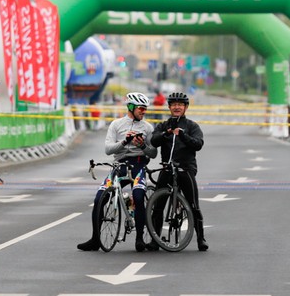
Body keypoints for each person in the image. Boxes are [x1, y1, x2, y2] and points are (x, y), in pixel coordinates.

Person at [78, 92, 157, 252]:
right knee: (100, 198)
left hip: (138, 166)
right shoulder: (116, 124)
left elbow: (153, 153)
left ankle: (140, 239)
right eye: (141, 108)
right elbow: (108, 150)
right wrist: (124, 142)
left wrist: (142, 146)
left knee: (138, 196)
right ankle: (95, 239)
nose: (144, 112)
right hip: (119, 166)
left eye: (145, 109)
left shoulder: (148, 127)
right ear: (131, 107)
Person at [148, 91, 208, 251]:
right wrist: (166, 134)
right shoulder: (164, 125)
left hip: (185, 168)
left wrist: (183, 136)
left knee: (194, 205)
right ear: (169, 107)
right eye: (173, 105)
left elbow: (198, 144)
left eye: (180, 105)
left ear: (186, 107)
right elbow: (153, 141)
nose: (177, 107)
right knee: (157, 205)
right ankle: (155, 239)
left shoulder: (192, 126)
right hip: (167, 168)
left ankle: (201, 238)